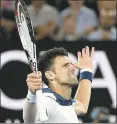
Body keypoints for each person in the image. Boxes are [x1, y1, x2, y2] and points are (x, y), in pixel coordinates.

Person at [23, 46, 95, 123]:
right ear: (50, 75)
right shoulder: (45, 100)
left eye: (71, 64)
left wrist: (86, 70)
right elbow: (30, 120)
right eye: (65, 65)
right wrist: (32, 95)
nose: (74, 68)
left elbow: (82, 106)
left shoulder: (66, 104)